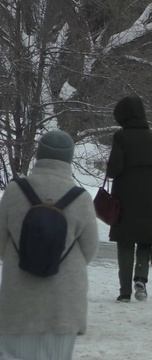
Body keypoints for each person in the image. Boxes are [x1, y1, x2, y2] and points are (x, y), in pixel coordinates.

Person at [0, 130, 99, 360]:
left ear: (40, 154)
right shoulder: (80, 197)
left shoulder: (15, 191)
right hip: (62, 304)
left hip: (19, 299)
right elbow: (90, 248)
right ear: (68, 158)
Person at [107, 95, 152, 303]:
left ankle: (124, 290)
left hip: (125, 196)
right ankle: (141, 281)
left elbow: (113, 169)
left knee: (125, 242)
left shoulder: (121, 137)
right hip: (150, 197)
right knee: (145, 240)